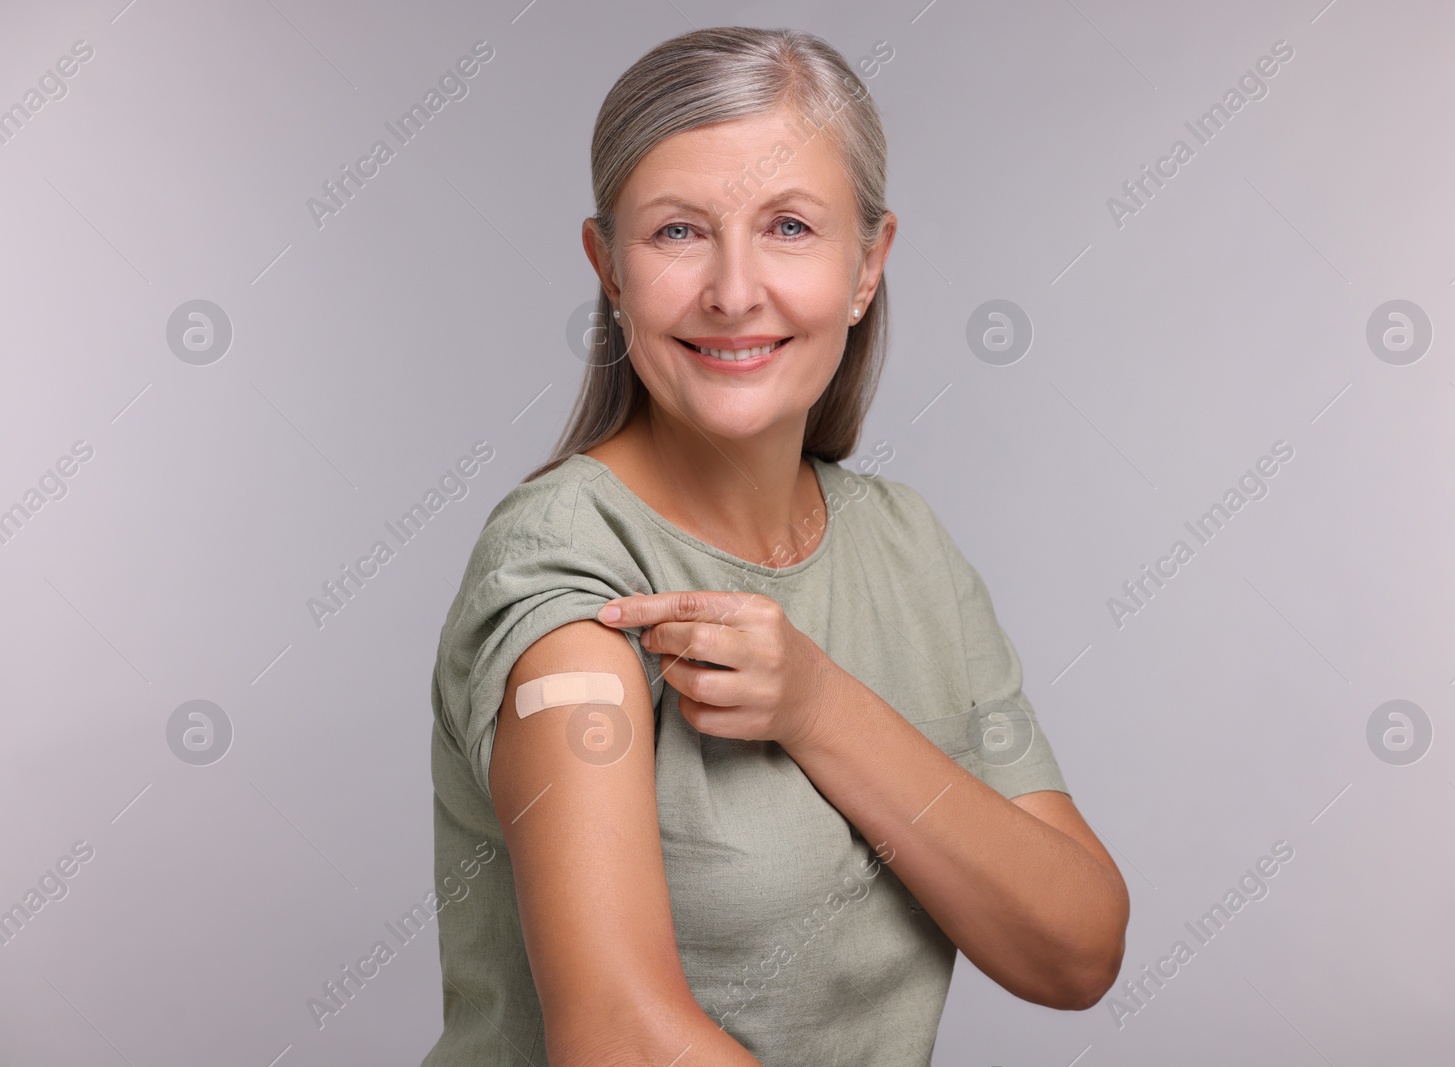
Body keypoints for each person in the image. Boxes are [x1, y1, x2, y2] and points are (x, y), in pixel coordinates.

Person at [423, 25, 1129, 1067]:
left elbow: (1073, 949)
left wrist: (816, 703)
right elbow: (619, 1037)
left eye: (790, 225)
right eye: (676, 233)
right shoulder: (569, 572)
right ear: (608, 267)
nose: (733, 289)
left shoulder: (906, 545)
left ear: (867, 263)